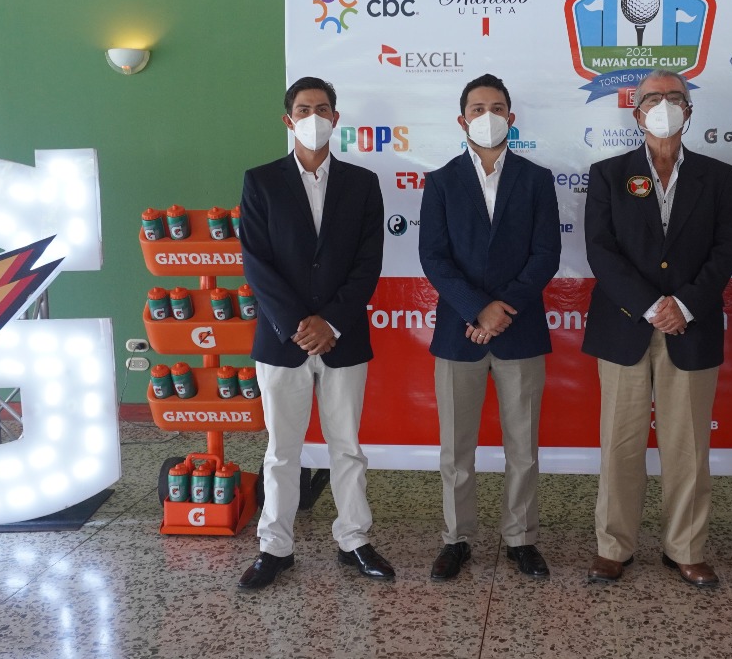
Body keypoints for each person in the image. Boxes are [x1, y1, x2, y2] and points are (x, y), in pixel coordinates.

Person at [581, 69, 732, 587]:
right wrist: (651, 305)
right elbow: (601, 251)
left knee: (688, 448)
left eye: (676, 97)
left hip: (691, 328)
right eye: (653, 98)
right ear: (637, 112)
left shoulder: (720, 176)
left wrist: (685, 305)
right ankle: (614, 547)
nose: (665, 105)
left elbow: (725, 251)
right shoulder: (608, 174)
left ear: (689, 111)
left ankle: (686, 548)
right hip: (625, 326)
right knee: (620, 445)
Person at [236, 76, 392, 590]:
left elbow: (368, 262)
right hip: (282, 340)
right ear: (289, 119)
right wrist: (298, 324)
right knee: (282, 450)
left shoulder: (362, 183)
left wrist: (332, 321)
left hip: (343, 338)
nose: (314, 117)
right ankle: (274, 547)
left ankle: (354, 539)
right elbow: (257, 263)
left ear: (336, 119)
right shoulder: (261, 181)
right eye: (304, 109)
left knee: (347, 446)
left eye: (322, 108)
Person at [419, 74, 562, 580]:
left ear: (511, 118)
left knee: (523, 448)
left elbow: (546, 254)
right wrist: (477, 309)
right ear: (462, 120)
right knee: (456, 449)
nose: (488, 116)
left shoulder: (536, 179)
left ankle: (521, 538)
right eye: (477, 108)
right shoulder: (441, 181)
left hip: (519, 331)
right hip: (459, 332)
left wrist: (502, 310)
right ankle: (456, 538)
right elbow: (434, 258)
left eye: (497, 107)